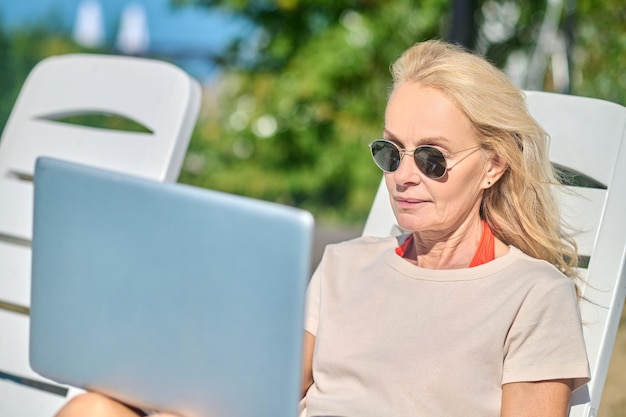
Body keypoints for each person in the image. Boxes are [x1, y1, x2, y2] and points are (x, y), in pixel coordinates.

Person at [55, 39, 589, 417]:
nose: (403, 176)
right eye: (391, 152)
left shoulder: (533, 294)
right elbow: (260, 396)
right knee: (93, 409)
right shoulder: (346, 264)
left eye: (431, 158)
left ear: (493, 165)